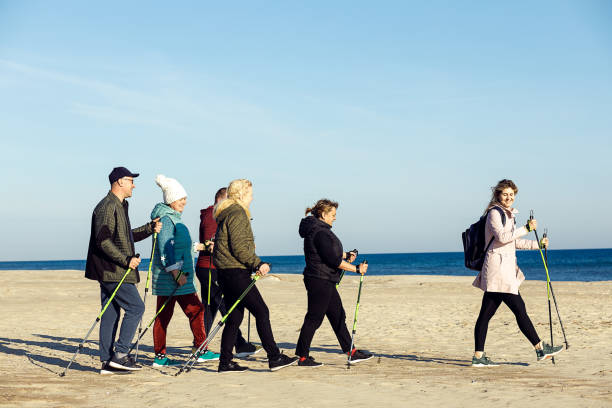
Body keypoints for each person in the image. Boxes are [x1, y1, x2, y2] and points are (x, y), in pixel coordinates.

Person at [471, 179, 564, 366]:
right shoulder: (494, 214)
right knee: (519, 310)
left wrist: (537, 245)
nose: (508, 198)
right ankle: (540, 349)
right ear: (498, 195)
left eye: (511, 195)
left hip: (503, 270)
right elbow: (503, 237)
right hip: (498, 270)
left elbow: (513, 242)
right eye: (505, 194)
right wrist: (527, 229)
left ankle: (478, 357)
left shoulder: (508, 215)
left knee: (486, 315)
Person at [213, 179, 298, 372]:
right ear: (242, 195)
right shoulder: (237, 213)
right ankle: (274, 357)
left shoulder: (228, 213)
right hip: (235, 272)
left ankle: (225, 362)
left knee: (234, 318)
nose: (253, 197)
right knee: (261, 311)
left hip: (226, 272)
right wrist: (257, 263)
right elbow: (239, 247)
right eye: (250, 193)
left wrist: (251, 258)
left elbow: (231, 245)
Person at [85, 166, 161, 375]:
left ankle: (108, 362)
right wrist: (126, 260)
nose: (133, 185)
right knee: (136, 308)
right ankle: (120, 355)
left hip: (112, 268)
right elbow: (103, 241)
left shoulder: (120, 205)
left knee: (110, 313)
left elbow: (125, 237)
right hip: (112, 269)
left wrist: (148, 228)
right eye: (130, 180)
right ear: (119, 182)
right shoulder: (107, 206)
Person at [149, 175, 220, 367]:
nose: (185, 202)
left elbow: (181, 246)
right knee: (192, 310)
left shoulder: (172, 218)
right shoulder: (167, 219)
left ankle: (164, 356)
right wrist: (176, 273)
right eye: (181, 199)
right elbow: (165, 248)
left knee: (173, 314)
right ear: (171, 199)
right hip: (174, 278)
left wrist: (204, 247)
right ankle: (197, 350)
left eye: (185, 198)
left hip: (177, 278)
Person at [295, 199, 373, 367]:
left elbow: (329, 253)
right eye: (332, 215)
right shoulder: (320, 232)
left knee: (338, 316)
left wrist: (346, 254)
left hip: (324, 279)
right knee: (314, 318)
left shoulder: (319, 230)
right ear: (323, 215)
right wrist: (357, 269)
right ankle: (302, 356)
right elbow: (333, 260)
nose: (335, 218)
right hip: (319, 280)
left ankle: (351, 351)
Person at [195, 187, 260, 357]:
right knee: (226, 308)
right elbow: (213, 244)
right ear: (221, 200)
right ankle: (234, 345)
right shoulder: (212, 216)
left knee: (213, 307)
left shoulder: (217, 215)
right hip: (211, 267)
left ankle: (204, 344)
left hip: (213, 267)